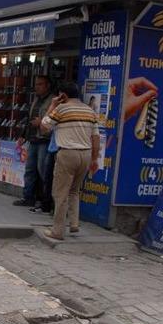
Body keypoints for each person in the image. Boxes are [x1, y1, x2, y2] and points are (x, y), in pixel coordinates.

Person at [40, 82, 99, 241]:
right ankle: (74, 223)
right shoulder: (89, 111)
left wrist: (52, 105)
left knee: (60, 193)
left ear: (63, 95)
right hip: (85, 155)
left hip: (67, 154)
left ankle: (57, 231)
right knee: (74, 190)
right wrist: (94, 159)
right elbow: (96, 138)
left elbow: (44, 126)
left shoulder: (61, 109)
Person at [14, 75, 54, 208]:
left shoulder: (53, 101)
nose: (37, 87)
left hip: (45, 139)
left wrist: (41, 123)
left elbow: (53, 120)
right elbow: (29, 119)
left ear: (47, 85)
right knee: (30, 170)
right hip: (33, 139)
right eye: (36, 84)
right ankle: (28, 197)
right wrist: (23, 135)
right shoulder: (36, 99)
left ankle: (46, 200)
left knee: (43, 171)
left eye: (40, 84)